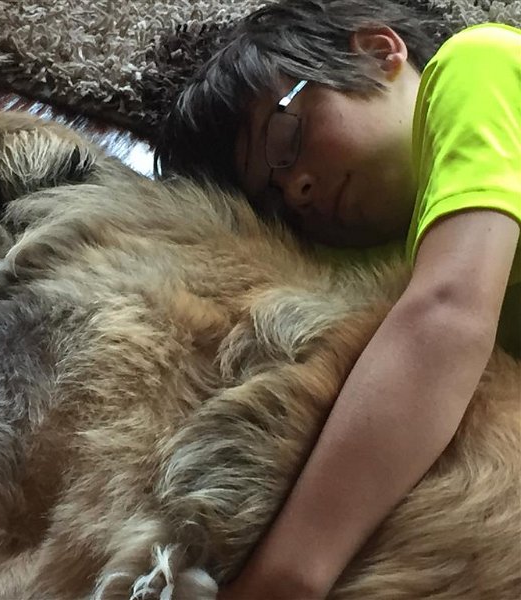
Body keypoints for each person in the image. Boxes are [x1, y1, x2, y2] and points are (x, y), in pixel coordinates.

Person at [155, 0, 521, 598]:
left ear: (379, 54)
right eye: (274, 201)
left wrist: (285, 576)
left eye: (286, 138)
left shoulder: (478, 66)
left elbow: (448, 318)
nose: (297, 189)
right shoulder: (359, 257)